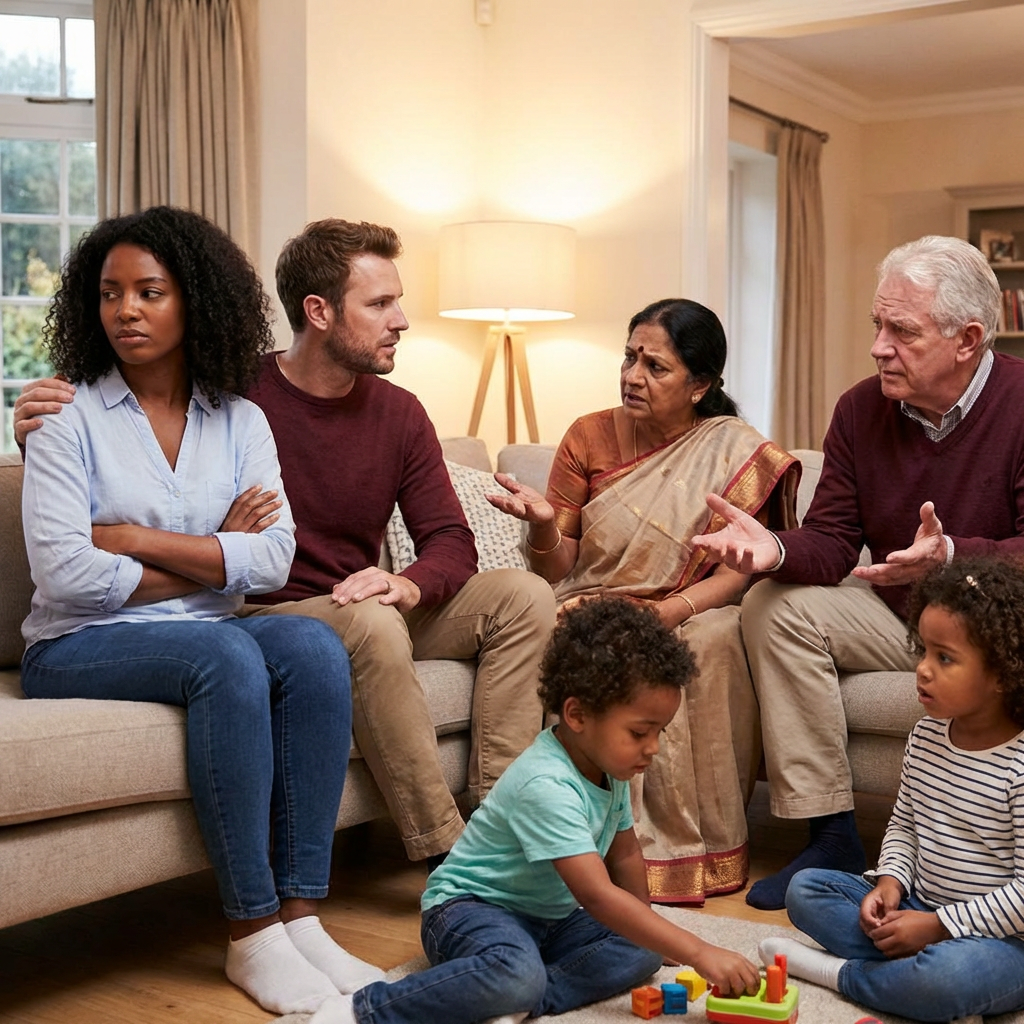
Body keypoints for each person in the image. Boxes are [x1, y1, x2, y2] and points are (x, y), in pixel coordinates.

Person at [14, 217, 556, 867]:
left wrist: (407, 581)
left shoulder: (400, 412)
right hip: (268, 609)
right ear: (319, 311)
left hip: (362, 600)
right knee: (372, 623)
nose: (402, 320)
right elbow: (128, 439)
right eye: (380, 304)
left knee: (521, 595)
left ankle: (503, 822)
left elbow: (448, 538)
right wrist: (36, 436)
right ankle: (452, 851)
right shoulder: (232, 393)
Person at [17, 206, 377, 1015]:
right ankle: (252, 934)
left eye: (150, 291)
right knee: (230, 655)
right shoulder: (62, 417)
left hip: (203, 627)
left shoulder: (240, 418)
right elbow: (70, 576)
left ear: (196, 302)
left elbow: (274, 557)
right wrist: (216, 557)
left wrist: (138, 540)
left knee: (314, 649)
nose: (127, 311)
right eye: (111, 294)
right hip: (78, 643)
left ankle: (300, 916)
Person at [692, 235, 1024, 910]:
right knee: (772, 606)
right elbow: (835, 540)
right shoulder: (858, 409)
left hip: (1003, 627)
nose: (878, 347)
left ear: (967, 339)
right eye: (878, 325)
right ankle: (832, 833)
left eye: (902, 331)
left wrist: (956, 554)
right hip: (900, 611)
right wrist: (775, 551)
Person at [313, 598, 761, 1024]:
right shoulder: (546, 784)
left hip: (549, 918)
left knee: (640, 949)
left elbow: (624, 856)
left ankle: (519, 1000)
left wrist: (648, 930)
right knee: (516, 970)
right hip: (468, 911)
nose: (654, 748)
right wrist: (700, 951)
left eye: (659, 732)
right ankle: (369, 1009)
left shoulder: (611, 768)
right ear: (578, 714)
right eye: (641, 732)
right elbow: (597, 895)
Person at [487, 298, 799, 903]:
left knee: (707, 642)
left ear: (700, 385)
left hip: (697, 602)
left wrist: (667, 612)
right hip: (593, 595)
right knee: (559, 631)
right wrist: (545, 523)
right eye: (629, 358)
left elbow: (741, 569)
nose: (633, 376)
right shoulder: (588, 434)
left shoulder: (733, 449)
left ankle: (693, 854)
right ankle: (560, 840)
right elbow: (560, 566)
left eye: (655, 367)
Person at [760, 558, 1024, 1023]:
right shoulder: (925, 736)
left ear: (1002, 674)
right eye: (922, 651)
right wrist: (890, 883)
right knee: (806, 889)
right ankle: (917, 981)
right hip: (921, 907)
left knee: (951, 977)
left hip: (1003, 938)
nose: (922, 669)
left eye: (944, 658)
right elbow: (904, 824)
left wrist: (940, 929)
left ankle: (840, 973)